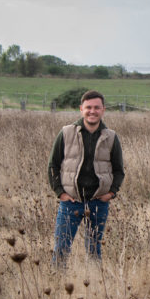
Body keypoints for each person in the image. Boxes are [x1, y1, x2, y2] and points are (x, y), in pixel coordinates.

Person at [48, 90, 124, 266]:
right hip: (71, 202)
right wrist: (60, 193)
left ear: (103, 110)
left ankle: (94, 287)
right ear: (81, 109)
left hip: (98, 203)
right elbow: (53, 165)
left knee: (94, 251)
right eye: (88, 107)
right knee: (61, 250)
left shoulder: (111, 137)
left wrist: (111, 193)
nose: (92, 111)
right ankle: (57, 285)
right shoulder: (66, 133)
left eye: (97, 107)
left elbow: (119, 170)